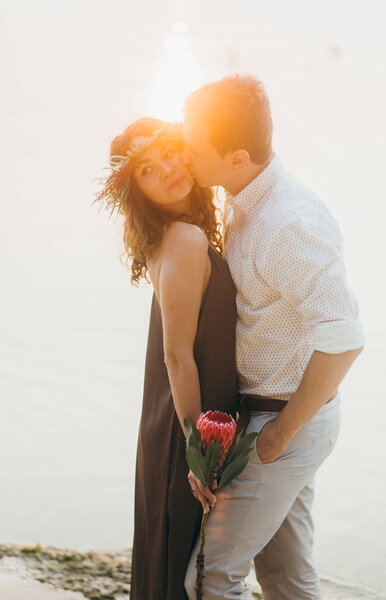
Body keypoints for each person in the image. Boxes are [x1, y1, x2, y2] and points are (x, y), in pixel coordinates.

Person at [182, 74, 365, 600]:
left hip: (285, 421)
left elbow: (345, 334)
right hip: (273, 417)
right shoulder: (247, 196)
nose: (189, 158)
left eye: (196, 150)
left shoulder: (286, 223)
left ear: (237, 157)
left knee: (213, 578)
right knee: (286, 579)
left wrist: (281, 434)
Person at [94, 117, 240, 600]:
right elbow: (176, 357)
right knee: (188, 564)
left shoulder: (180, 234)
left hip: (174, 417)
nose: (168, 170)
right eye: (148, 171)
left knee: (178, 561)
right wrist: (197, 452)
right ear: (138, 193)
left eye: (171, 153)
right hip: (189, 424)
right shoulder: (185, 238)